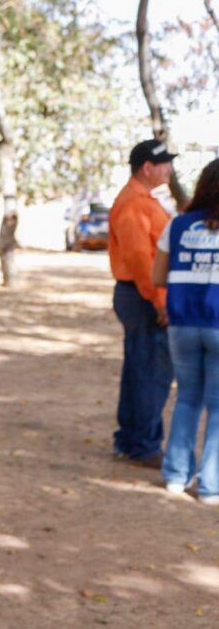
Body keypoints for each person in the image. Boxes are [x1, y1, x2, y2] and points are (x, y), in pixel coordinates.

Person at [152, 159, 219, 504]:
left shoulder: (177, 225)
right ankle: (210, 486)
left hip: (181, 324)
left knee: (188, 399)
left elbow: (157, 277)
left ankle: (176, 477)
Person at [107, 138, 176, 468]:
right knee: (151, 370)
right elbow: (140, 258)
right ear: (148, 167)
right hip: (143, 295)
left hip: (138, 293)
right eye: (165, 163)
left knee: (139, 368)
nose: (170, 169)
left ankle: (132, 439)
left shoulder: (141, 199)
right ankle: (144, 445)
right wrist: (160, 299)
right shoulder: (135, 203)